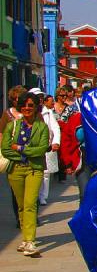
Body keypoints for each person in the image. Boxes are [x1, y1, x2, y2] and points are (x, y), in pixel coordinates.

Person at [3, 92, 50, 257]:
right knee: (21, 204)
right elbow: (6, 149)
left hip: (34, 169)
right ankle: (25, 238)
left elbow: (43, 148)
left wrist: (22, 149)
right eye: (24, 105)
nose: (27, 108)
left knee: (30, 204)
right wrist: (24, 154)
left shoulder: (42, 126)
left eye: (31, 105)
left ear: (36, 106)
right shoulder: (12, 126)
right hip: (15, 170)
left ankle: (30, 241)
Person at [0, 85, 27, 226]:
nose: (18, 101)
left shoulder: (32, 112)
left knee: (31, 188)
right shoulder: (7, 114)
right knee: (15, 189)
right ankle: (19, 216)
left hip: (30, 155)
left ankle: (29, 214)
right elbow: (1, 133)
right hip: (13, 156)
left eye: (20, 98)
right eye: (16, 99)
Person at [33, 90, 60, 206]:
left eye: (41, 97)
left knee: (46, 173)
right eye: (37, 97)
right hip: (32, 147)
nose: (39, 99)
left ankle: (42, 196)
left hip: (46, 146)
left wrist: (56, 142)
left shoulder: (48, 112)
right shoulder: (28, 112)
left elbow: (55, 128)